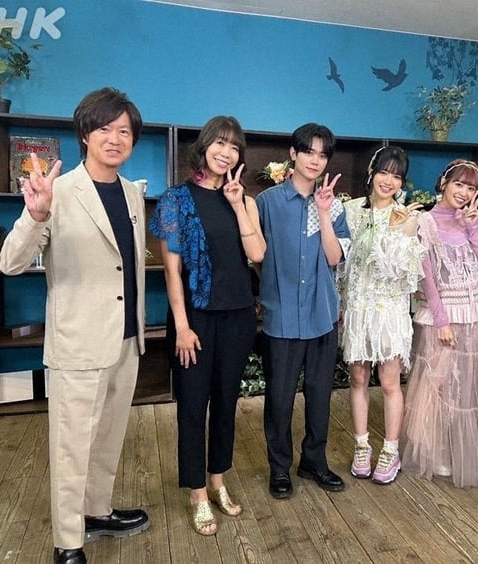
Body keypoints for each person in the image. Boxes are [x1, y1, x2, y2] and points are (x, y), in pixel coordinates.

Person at [0, 87, 150, 564]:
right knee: (71, 447)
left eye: (124, 131)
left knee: (107, 437)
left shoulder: (132, 193)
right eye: (105, 128)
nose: (115, 138)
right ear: (85, 134)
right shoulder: (58, 192)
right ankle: (68, 541)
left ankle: (96, 511)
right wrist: (35, 215)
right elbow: (10, 264)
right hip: (78, 344)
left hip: (126, 339)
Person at [149, 116, 265, 536]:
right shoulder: (176, 200)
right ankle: (197, 492)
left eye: (234, 147)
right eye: (219, 143)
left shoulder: (244, 200)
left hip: (238, 316)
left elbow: (258, 255)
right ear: (204, 147)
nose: (226, 153)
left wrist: (236, 205)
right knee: (194, 404)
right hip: (195, 317)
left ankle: (218, 479)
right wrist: (182, 326)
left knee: (226, 402)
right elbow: (172, 271)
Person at [400, 158, 478, 488]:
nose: (464, 192)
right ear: (443, 183)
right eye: (459, 184)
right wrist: (442, 322)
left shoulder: (477, 219)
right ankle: (440, 453)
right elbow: (426, 277)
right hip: (445, 313)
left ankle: (475, 453)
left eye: (471, 187)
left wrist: (471, 228)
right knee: (441, 383)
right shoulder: (424, 222)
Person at [255, 122, 350, 499]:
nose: (315, 160)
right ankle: (279, 468)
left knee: (319, 395)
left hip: (322, 314)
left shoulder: (334, 204)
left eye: (322, 154)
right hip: (281, 316)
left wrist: (324, 213)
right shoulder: (267, 202)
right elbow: (255, 253)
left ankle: (314, 461)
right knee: (279, 398)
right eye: (308, 151)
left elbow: (334, 257)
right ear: (292, 154)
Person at [339, 146, 425, 484]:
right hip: (357, 309)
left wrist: (395, 232)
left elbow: (400, 274)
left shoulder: (408, 217)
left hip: (389, 311)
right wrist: (342, 306)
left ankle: (391, 449)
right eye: (384, 172)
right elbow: (343, 265)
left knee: (389, 383)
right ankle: (362, 446)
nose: (389, 181)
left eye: (397, 176)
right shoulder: (350, 211)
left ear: (402, 182)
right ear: (371, 172)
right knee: (358, 380)